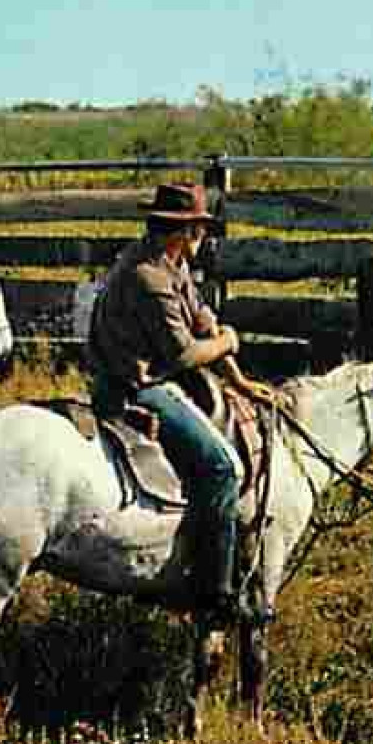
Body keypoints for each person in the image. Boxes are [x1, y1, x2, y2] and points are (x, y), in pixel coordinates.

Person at [87, 183, 252, 623]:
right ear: (184, 231)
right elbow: (184, 354)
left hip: (150, 375)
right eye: (200, 228)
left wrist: (239, 379)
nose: (204, 236)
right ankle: (213, 594)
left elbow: (203, 320)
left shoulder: (171, 265)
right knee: (223, 467)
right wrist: (228, 342)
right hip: (133, 386)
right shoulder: (149, 277)